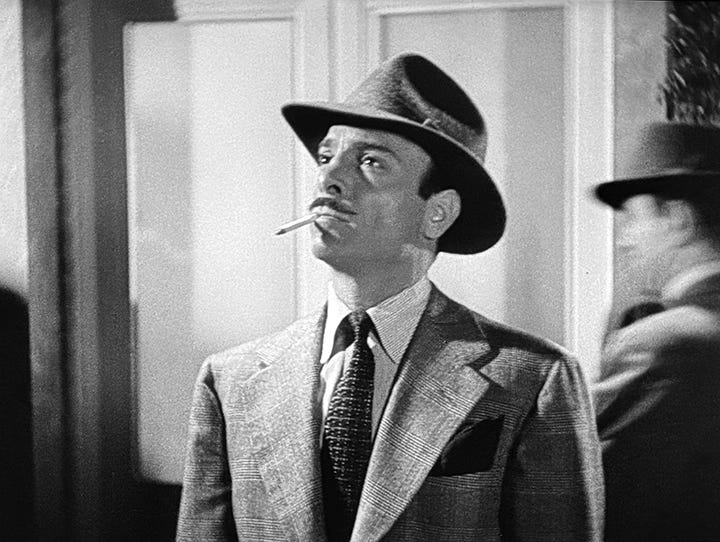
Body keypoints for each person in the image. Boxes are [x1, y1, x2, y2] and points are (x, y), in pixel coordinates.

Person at [176, 53, 604, 542]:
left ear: (437, 213)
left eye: (370, 162)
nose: (329, 178)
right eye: (326, 157)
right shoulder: (229, 382)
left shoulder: (533, 379)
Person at [593, 122, 720, 541]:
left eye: (633, 218)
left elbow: (584, 509)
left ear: (679, 220)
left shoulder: (661, 347)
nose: (624, 240)